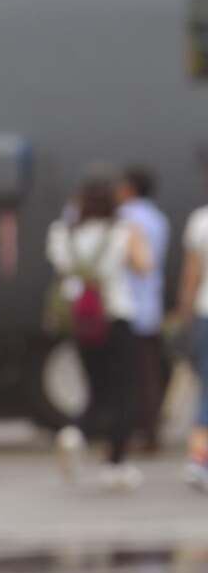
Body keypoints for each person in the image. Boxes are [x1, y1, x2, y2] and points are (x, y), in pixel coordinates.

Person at [47, 174, 145, 487]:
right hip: (116, 316)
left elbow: (60, 266)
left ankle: (75, 431)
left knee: (95, 388)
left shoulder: (62, 234)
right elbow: (144, 265)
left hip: (83, 321)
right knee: (122, 393)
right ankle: (115, 463)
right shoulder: (121, 232)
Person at [116, 166, 170, 454]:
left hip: (129, 306)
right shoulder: (158, 219)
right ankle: (151, 429)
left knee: (132, 375)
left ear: (130, 187)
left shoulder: (127, 218)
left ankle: (140, 430)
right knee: (149, 372)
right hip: (151, 303)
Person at [179, 163, 208, 491]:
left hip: (205, 311)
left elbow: (192, 275)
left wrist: (184, 313)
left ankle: (198, 457)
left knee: (206, 388)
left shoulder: (201, 221)